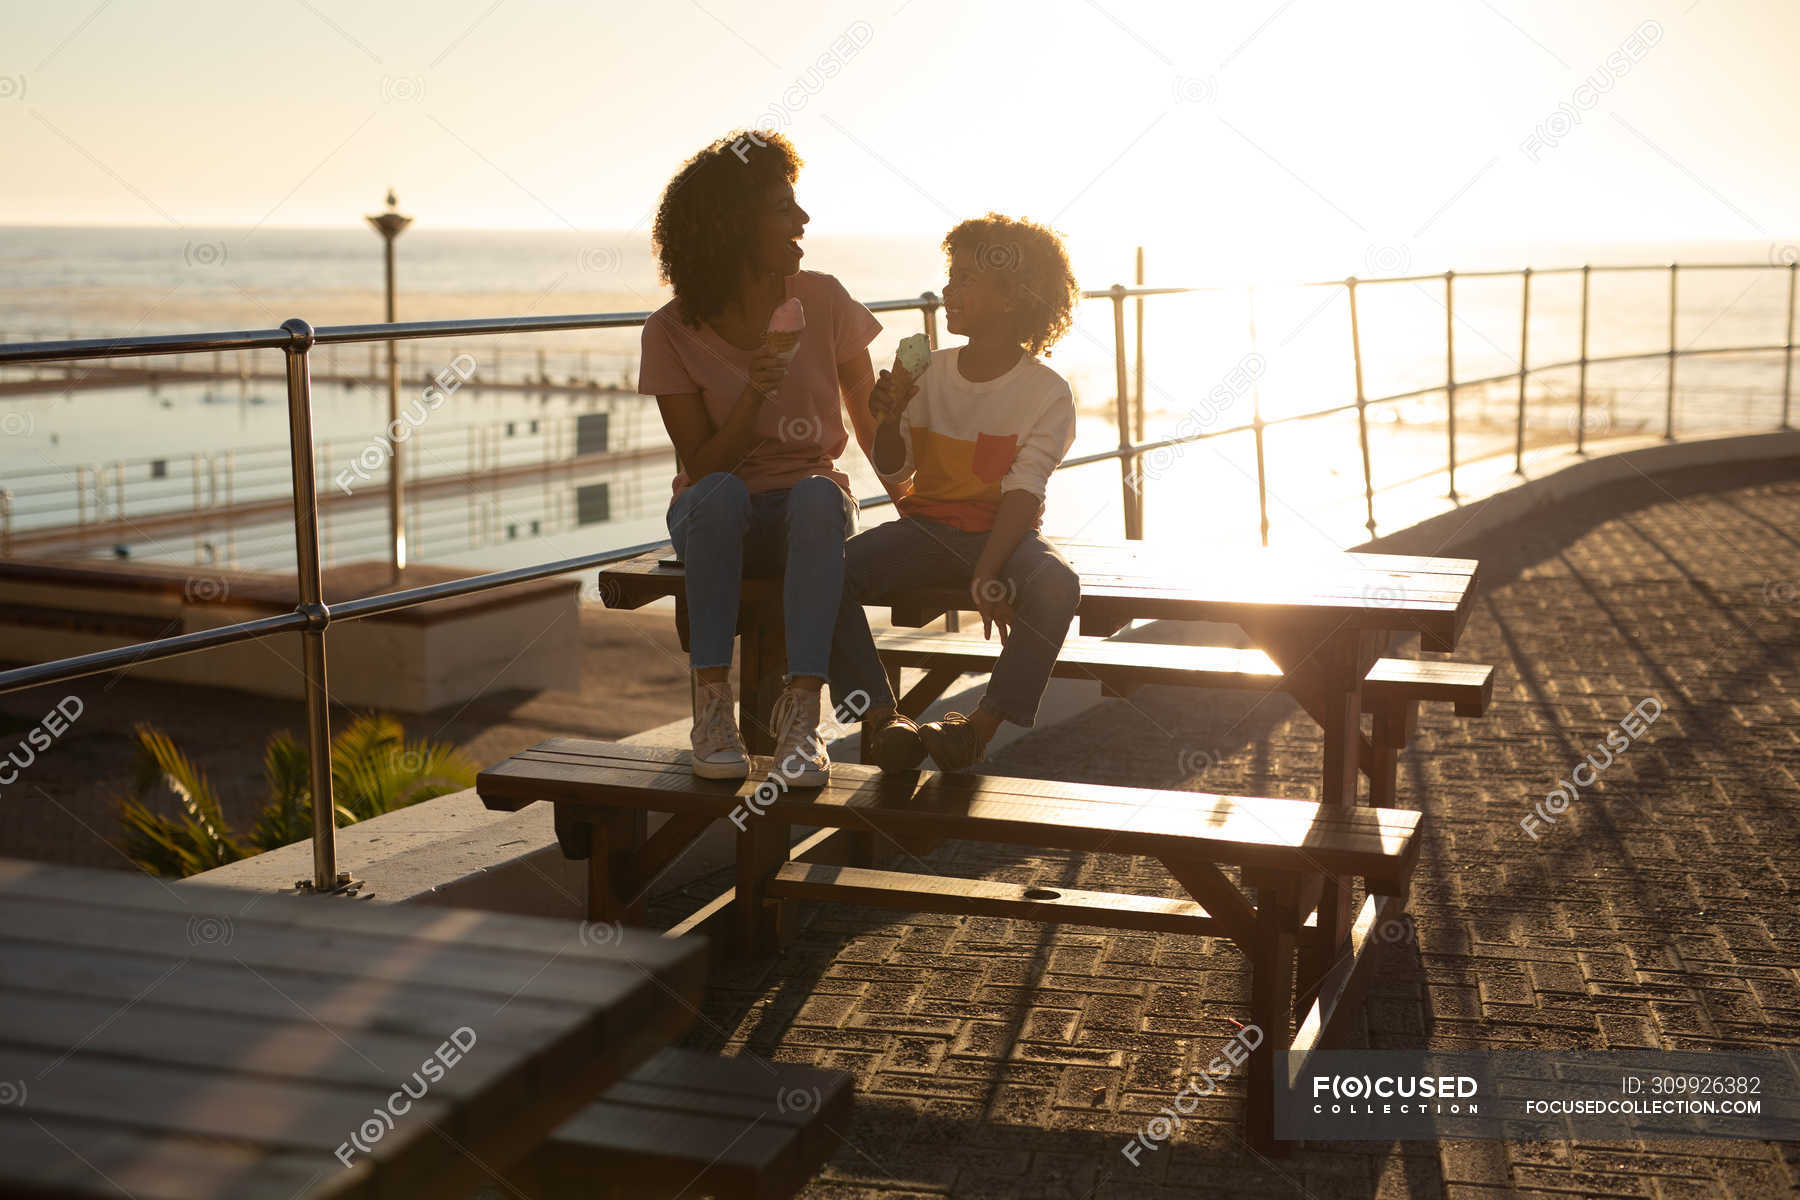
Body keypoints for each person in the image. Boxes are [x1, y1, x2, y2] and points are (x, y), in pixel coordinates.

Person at [638, 131, 881, 785]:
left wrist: (911, 461)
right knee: (719, 497)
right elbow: (704, 463)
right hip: (718, 514)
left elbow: (874, 424)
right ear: (734, 225)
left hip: (807, 512)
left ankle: (804, 719)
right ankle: (712, 713)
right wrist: (760, 385)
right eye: (783, 207)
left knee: (818, 493)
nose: (802, 220)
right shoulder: (668, 331)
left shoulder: (824, 298)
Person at [829, 214, 1082, 771]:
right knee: (824, 572)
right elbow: (899, 469)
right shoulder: (930, 373)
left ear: (1014, 297)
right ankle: (882, 719)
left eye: (966, 278)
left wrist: (989, 569)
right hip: (928, 530)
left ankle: (978, 728)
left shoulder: (1047, 391)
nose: (948, 289)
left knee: (1057, 583)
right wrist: (890, 418)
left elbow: (1023, 492)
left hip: (1005, 536)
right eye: (952, 274)